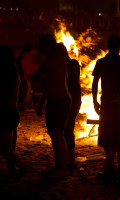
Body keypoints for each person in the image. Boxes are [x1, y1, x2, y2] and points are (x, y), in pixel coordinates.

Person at [92, 34, 120, 179]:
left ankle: (110, 168)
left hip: (107, 103)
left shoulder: (101, 62)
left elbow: (95, 83)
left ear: (108, 46)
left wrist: (95, 101)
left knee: (108, 136)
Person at [32, 34, 71, 179]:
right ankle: (61, 166)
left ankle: (62, 168)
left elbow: (38, 78)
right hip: (58, 100)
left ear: (48, 46)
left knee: (57, 134)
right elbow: (48, 84)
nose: (39, 48)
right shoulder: (57, 59)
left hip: (59, 101)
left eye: (41, 45)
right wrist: (42, 102)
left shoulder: (54, 60)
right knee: (57, 135)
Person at [0, 45, 27, 180]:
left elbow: (6, 95)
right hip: (9, 114)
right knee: (7, 149)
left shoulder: (10, 74)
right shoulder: (11, 72)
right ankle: (14, 171)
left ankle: (22, 168)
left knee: (3, 147)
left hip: (8, 114)